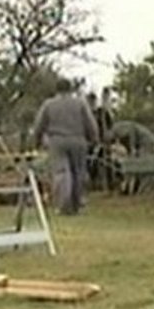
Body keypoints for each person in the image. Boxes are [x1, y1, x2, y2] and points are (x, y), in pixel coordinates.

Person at [32, 78, 100, 215]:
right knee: (78, 173)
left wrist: (36, 142)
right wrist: (94, 139)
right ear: (70, 89)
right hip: (78, 140)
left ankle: (63, 205)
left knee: (61, 173)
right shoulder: (80, 103)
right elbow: (90, 123)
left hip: (57, 141)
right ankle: (77, 204)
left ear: (56, 89)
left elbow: (39, 125)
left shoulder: (49, 104)